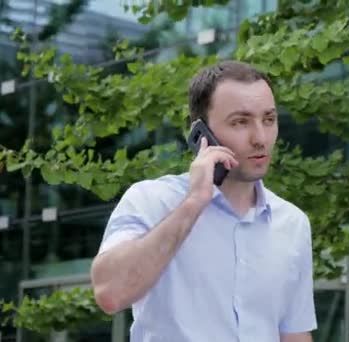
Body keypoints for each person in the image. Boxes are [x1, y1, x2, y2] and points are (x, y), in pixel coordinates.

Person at [90, 61, 317, 342]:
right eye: (240, 122)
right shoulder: (151, 200)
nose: (260, 138)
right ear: (200, 133)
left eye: (269, 119)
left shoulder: (292, 223)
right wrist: (195, 201)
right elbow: (110, 293)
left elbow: (294, 334)